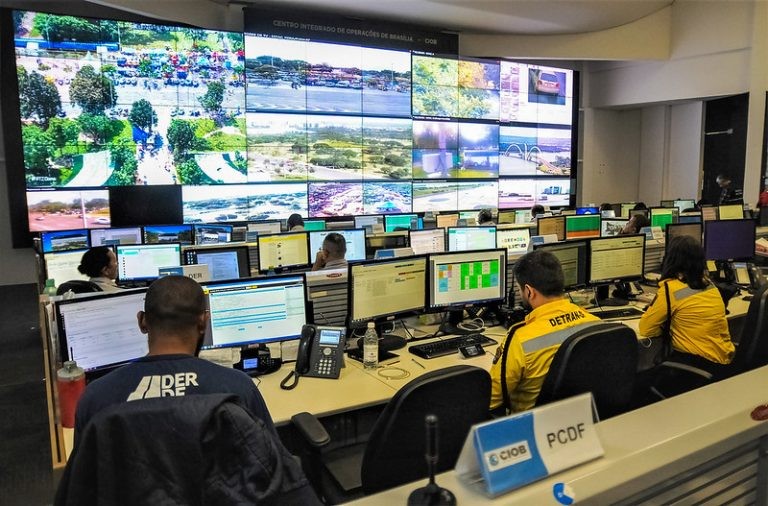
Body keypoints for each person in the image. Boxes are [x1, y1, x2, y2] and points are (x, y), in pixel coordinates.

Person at [74, 275, 278, 441]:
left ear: (142, 322)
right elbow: (273, 467)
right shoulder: (239, 387)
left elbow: (84, 483)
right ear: (204, 323)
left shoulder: (95, 397)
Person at [489, 250, 600, 414]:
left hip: (530, 427)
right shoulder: (594, 323)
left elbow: (492, 399)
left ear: (529, 291)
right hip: (579, 420)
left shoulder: (520, 337)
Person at [639, 235, 734, 375]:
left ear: (671, 260)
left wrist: (667, 327)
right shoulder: (710, 284)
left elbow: (646, 329)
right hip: (723, 361)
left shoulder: (670, 289)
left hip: (695, 366)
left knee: (642, 380)